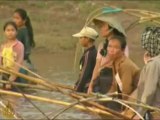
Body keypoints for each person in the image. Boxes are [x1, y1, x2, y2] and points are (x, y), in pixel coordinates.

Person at [87, 16, 130, 94]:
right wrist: (91, 84)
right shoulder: (102, 45)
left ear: (111, 29)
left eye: (103, 26)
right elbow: (97, 66)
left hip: (113, 79)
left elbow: (123, 65)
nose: (100, 29)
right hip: (101, 78)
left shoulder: (122, 45)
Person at [133, 27, 160, 119]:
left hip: (155, 112)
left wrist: (139, 113)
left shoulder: (154, 64)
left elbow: (149, 92)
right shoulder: (154, 63)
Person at [72, 27, 98, 93]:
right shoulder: (93, 51)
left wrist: (77, 89)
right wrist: (76, 84)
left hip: (88, 88)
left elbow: (85, 73)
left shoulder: (89, 54)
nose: (79, 40)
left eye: (81, 38)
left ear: (87, 39)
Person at [0, 21, 24, 90]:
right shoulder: (2, 46)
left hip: (15, 76)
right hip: (4, 76)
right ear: (4, 32)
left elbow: (18, 64)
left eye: (12, 30)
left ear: (16, 32)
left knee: (13, 99)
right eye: (8, 30)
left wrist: (10, 80)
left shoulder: (19, 45)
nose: (10, 32)